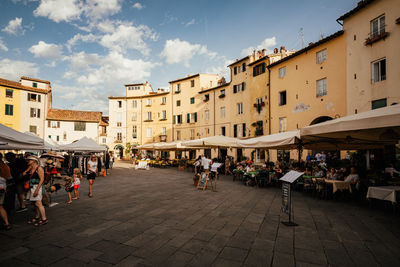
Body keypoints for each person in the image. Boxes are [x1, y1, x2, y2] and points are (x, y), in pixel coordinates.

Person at [26, 156, 47, 227]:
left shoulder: (39, 168)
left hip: (37, 187)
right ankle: (37, 217)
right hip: (32, 187)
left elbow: (42, 179)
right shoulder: (31, 168)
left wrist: (37, 190)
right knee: (36, 203)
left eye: (29, 160)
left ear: (34, 161)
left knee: (38, 203)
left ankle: (44, 219)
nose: (28, 161)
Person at [0, 153, 12, 230]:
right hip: (3, 188)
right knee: (0, 206)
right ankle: (7, 223)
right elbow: (9, 178)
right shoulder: (5, 166)